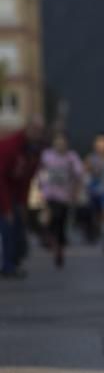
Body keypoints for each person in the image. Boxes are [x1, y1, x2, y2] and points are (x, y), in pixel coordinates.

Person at [0, 116, 46, 277]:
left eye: (40, 130)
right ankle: (8, 266)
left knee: (18, 225)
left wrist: (22, 203)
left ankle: (15, 260)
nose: (38, 133)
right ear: (27, 129)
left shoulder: (35, 150)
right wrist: (6, 208)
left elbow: (26, 180)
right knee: (7, 226)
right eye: (35, 129)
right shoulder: (10, 146)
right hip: (3, 189)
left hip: (14, 192)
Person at [38, 132, 85, 268]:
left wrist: (76, 192)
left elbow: (79, 174)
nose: (60, 145)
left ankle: (59, 249)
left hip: (65, 197)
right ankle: (50, 239)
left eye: (62, 143)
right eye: (57, 142)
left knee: (61, 224)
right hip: (49, 195)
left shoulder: (71, 157)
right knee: (53, 218)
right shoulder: (46, 155)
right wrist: (40, 186)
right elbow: (40, 171)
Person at [83, 133, 104, 245]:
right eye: (99, 142)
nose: (102, 145)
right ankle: (98, 231)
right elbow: (84, 171)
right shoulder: (90, 158)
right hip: (94, 190)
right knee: (96, 215)